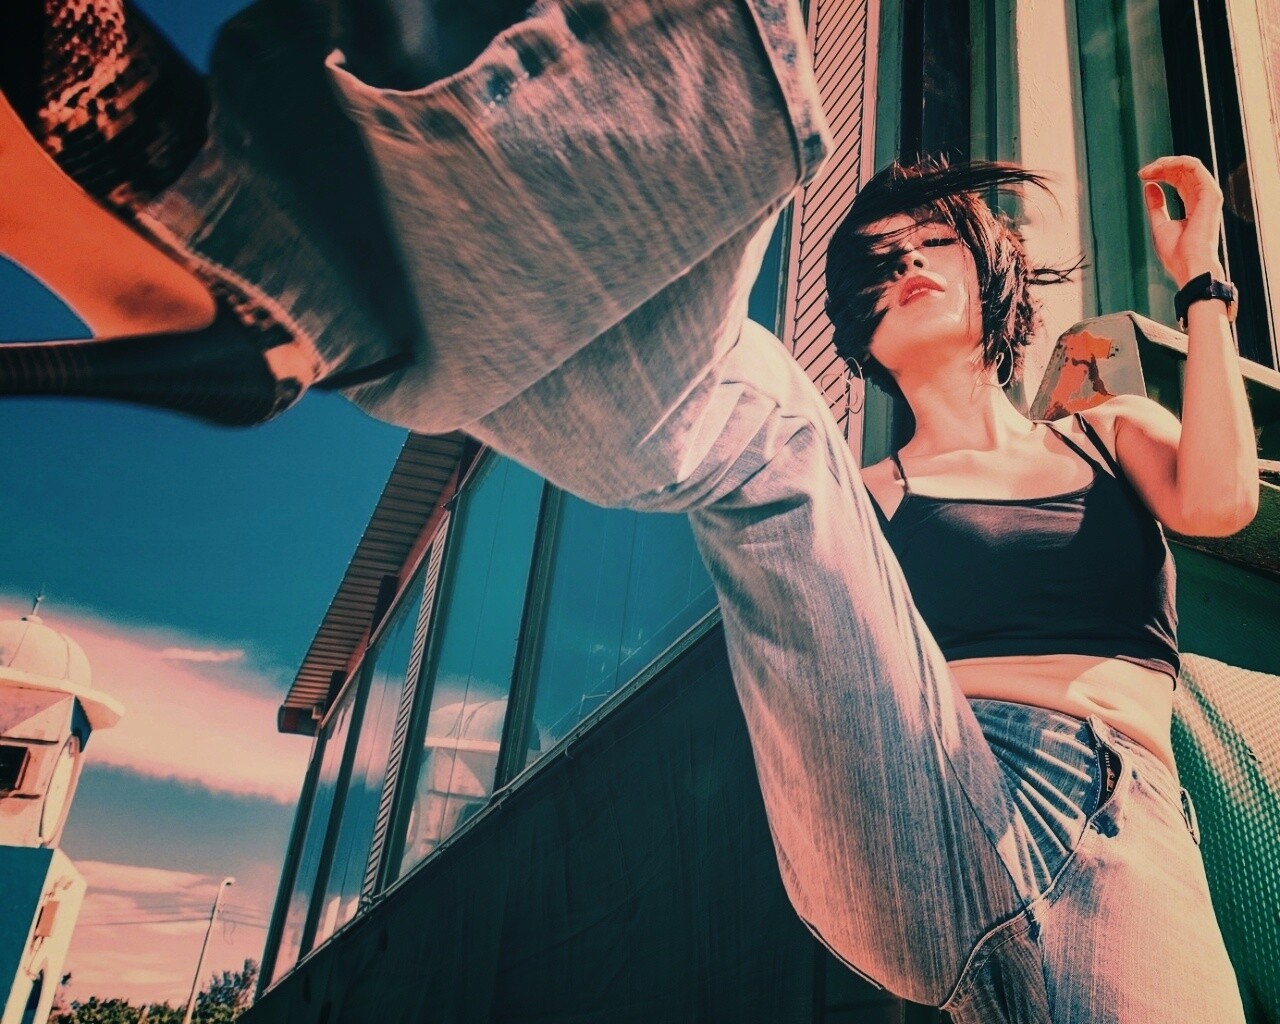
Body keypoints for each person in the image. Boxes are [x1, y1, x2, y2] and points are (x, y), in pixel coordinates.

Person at [0, 1, 1259, 1019]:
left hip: (1114, 811)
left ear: (996, 272)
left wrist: (1200, 280)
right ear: (858, 329)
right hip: (912, 802)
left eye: (933, 239)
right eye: (875, 261)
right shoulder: (859, 492)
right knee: (763, 426)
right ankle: (256, 242)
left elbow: (1214, 498)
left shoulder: (1100, 432)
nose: (907, 260)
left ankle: (261, 270)